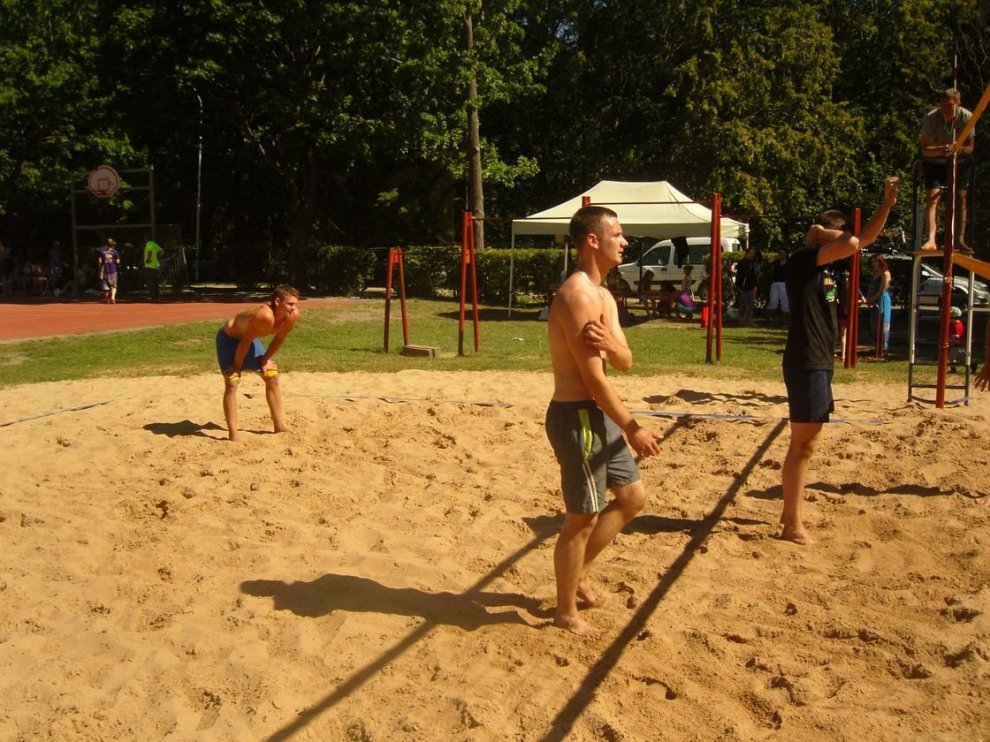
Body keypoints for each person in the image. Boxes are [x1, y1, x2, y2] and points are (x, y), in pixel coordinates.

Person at [545, 206, 662, 636]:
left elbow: (625, 362)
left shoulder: (605, 297)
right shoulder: (576, 296)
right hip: (577, 416)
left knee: (631, 497)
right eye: (618, 234)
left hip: (598, 413)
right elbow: (593, 380)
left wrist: (613, 344)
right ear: (593, 241)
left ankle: (576, 577)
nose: (625, 242)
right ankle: (565, 612)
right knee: (582, 518)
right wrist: (633, 428)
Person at [780, 176, 899, 545]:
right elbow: (852, 242)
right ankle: (791, 526)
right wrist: (821, 233)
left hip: (818, 358)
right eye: (838, 232)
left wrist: (887, 206)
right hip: (806, 359)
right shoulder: (803, 259)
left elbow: (861, 240)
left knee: (807, 442)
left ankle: (789, 516)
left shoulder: (825, 265)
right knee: (803, 444)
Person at [216, 285, 301, 442]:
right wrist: (236, 367)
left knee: (272, 377)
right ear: (277, 301)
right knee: (232, 382)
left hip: (249, 339)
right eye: (290, 304)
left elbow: (280, 338)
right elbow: (245, 342)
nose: (294, 308)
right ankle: (233, 433)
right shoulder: (265, 315)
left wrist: (265, 359)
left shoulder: (292, 316)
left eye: (295, 304)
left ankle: (279, 425)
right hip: (229, 340)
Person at [919, 88, 975, 252]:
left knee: (960, 197)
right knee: (933, 197)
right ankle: (931, 239)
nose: (945, 109)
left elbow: (970, 148)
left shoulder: (967, 117)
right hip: (935, 161)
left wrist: (958, 149)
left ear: (957, 104)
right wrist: (942, 150)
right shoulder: (931, 118)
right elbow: (925, 150)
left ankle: (959, 239)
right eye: (942, 105)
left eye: (949, 105)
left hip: (959, 162)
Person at [863, 253, 892, 356]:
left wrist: (870, 299)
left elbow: (881, 291)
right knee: (874, 323)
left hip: (882, 301)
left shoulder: (885, 273)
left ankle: (884, 348)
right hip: (873, 302)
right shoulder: (874, 274)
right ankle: (877, 346)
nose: (873, 264)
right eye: (872, 262)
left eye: (875, 262)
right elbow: (870, 288)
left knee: (883, 323)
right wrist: (867, 299)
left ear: (880, 262)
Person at [734, 247, 760, 325]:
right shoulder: (744, 262)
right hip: (743, 286)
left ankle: (747, 319)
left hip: (750, 286)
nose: (753, 255)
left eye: (754, 253)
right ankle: (743, 319)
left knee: (748, 303)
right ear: (747, 253)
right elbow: (744, 275)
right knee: (745, 303)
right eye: (751, 253)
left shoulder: (752, 262)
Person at [766, 251, 789, 322]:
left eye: (783, 253)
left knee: (785, 301)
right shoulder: (775, 263)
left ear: (786, 254)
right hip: (775, 283)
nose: (782, 255)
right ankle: (769, 317)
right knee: (773, 300)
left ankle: (784, 319)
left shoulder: (789, 263)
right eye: (780, 253)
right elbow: (772, 271)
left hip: (784, 283)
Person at [97, 238, 121, 304]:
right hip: (113, 270)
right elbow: (118, 261)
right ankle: (113, 297)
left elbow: (100, 261)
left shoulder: (101, 250)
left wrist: (99, 268)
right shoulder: (115, 251)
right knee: (114, 285)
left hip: (104, 270)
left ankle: (107, 299)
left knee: (105, 286)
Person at [143, 236, 163, 301]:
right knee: (155, 282)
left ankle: (152, 296)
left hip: (149, 266)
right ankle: (156, 296)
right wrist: (158, 257)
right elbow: (162, 251)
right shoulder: (154, 244)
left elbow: (149, 251)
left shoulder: (149, 244)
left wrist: (148, 259)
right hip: (155, 266)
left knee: (150, 282)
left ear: (146, 239)